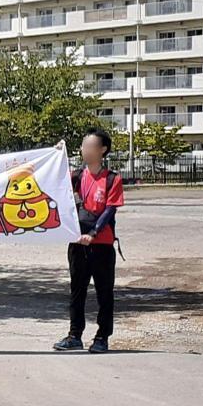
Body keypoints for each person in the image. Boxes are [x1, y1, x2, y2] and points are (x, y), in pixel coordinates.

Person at [54, 128, 124, 354]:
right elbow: (52, 180)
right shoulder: (75, 177)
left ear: (103, 150)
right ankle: (75, 335)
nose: (86, 150)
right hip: (76, 244)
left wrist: (93, 233)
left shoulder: (112, 179)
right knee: (77, 291)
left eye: (91, 146)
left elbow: (110, 210)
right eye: (84, 146)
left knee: (104, 293)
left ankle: (102, 337)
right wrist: (56, 155)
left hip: (101, 245)